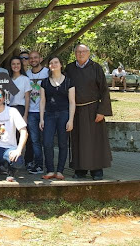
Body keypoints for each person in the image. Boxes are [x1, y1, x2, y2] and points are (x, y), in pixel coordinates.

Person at [64, 44, 113, 181]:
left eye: (83, 52)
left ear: (88, 53)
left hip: (93, 110)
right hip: (76, 110)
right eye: (78, 52)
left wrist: (102, 111)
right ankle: (80, 169)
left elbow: (104, 90)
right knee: (78, 140)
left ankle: (96, 170)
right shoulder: (70, 68)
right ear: (75, 53)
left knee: (95, 141)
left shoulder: (96, 68)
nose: (81, 54)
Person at [39, 56, 76, 181]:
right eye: (51, 63)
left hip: (64, 114)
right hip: (49, 115)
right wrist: (41, 119)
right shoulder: (44, 82)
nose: (53, 65)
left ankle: (60, 171)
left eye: (56, 62)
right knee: (47, 143)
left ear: (61, 65)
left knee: (62, 143)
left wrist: (71, 120)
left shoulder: (69, 82)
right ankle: (50, 170)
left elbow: (72, 102)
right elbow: (42, 101)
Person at [25, 50, 49, 174]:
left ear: (40, 58)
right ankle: (38, 164)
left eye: (35, 57)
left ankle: (49, 164)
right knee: (34, 140)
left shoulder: (47, 73)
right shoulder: (27, 74)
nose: (33, 60)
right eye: (31, 58)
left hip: (45, 111)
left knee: (46, 140)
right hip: (31, 111)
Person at [8, 56, 31, 122]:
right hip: (9, 109)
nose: (16, 66)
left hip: (20, 108)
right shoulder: (8, 80)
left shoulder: (25, 79)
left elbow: (27, 98)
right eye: (13, 64)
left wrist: (25, 115)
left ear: (21, 65)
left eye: (18, 64)